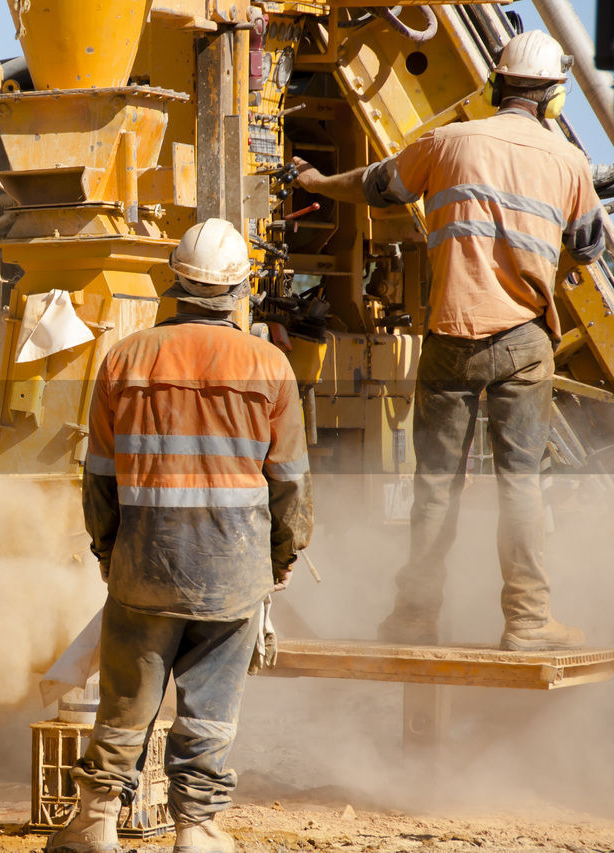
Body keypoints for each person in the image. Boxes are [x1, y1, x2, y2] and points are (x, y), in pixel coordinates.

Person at [293, 30, 604, 651]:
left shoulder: (446, 143)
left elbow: (377, 185)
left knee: (436, 484)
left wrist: (317, 182)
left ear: (496, 85)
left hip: (449, 336)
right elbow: (591, 245)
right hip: (523, 342)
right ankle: (527, 621)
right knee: (521, 485)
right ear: (553, 99)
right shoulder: (568, 161)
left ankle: (413, 616)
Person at [47, 218, 313, 853]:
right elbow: (291, 480)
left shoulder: (126, 357)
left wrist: (110, 552)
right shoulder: (269, 363)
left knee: (125, 702)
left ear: (177, 282)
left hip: (144, 563)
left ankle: (96, 823)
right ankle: (195, 829)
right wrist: (282, 555)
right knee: (210, 708)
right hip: (232, 567)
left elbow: (100, 477)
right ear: (239, 289)